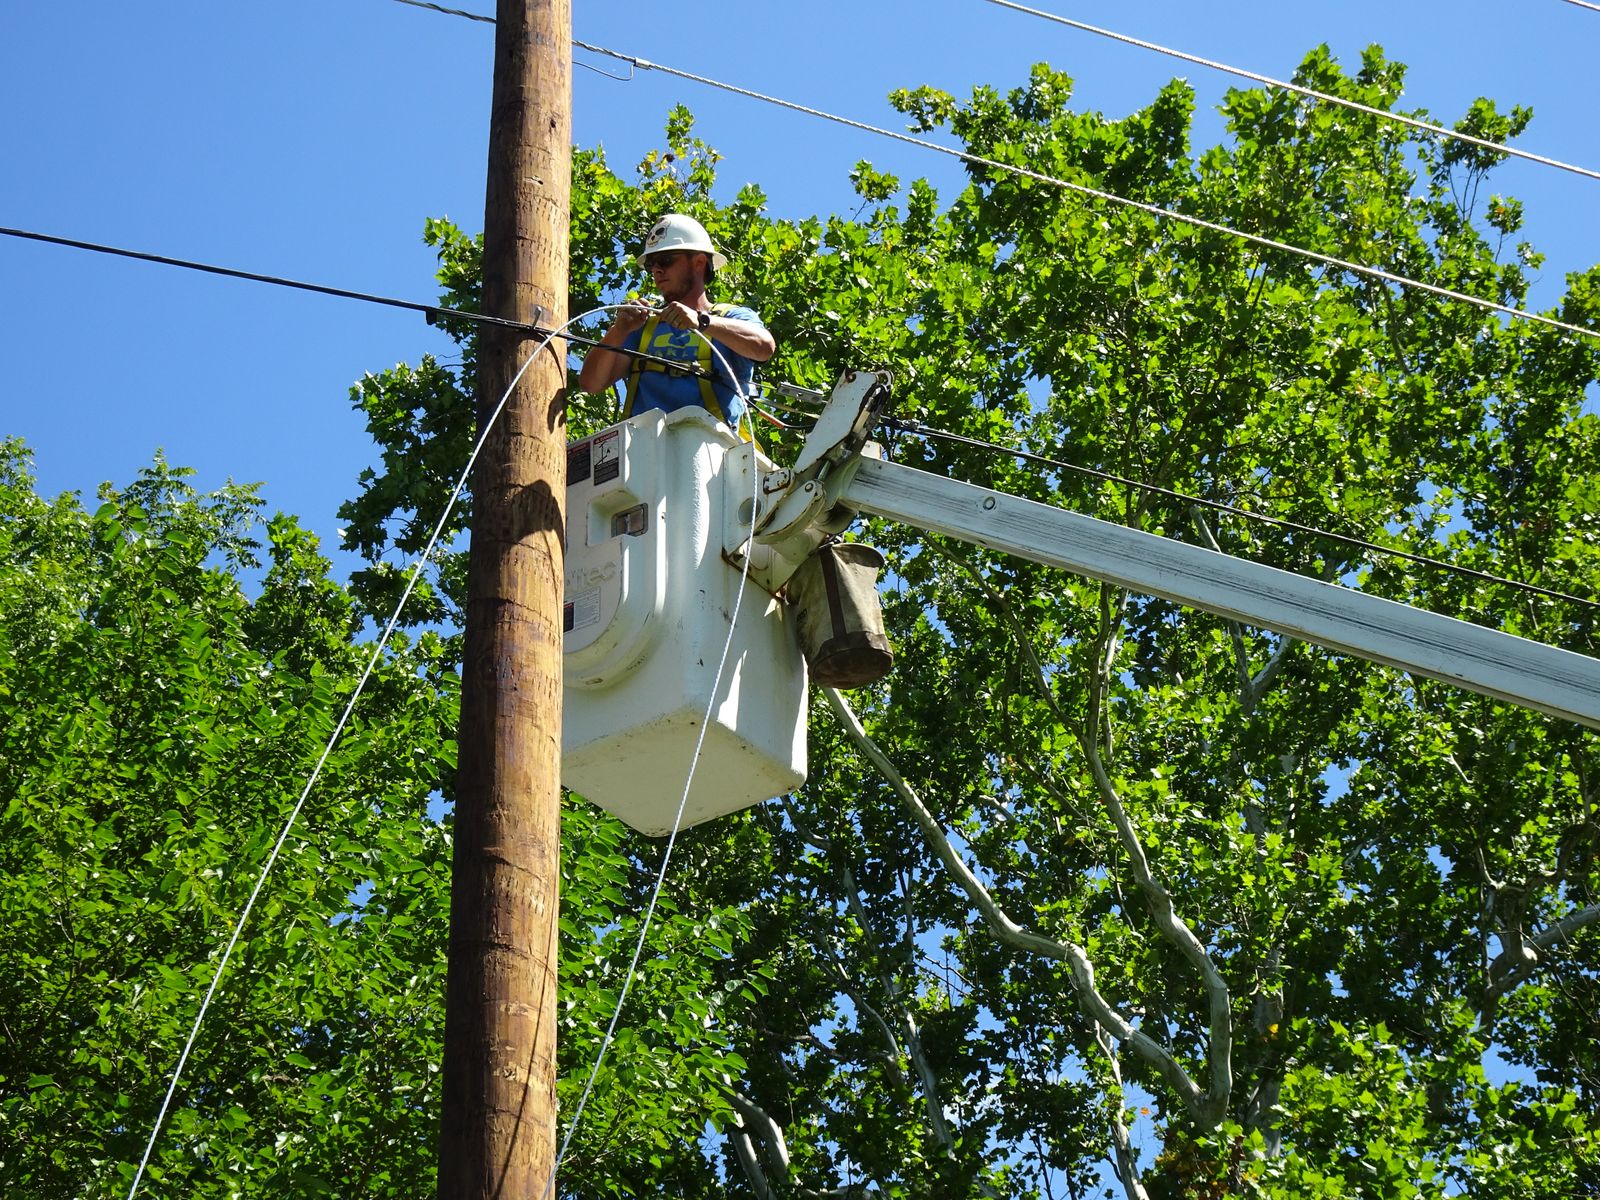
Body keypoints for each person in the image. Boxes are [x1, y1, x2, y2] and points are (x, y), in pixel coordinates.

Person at [577, 213, 775, 432]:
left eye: (666, 260)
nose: (657, 270)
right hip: (647, 452)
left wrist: (702, 321)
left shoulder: (731, 318)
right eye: (651, 265)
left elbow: (764, 347)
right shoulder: (641, 327)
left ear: (699, 262)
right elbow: (591, 383)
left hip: (709, 450)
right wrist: (619, 330)